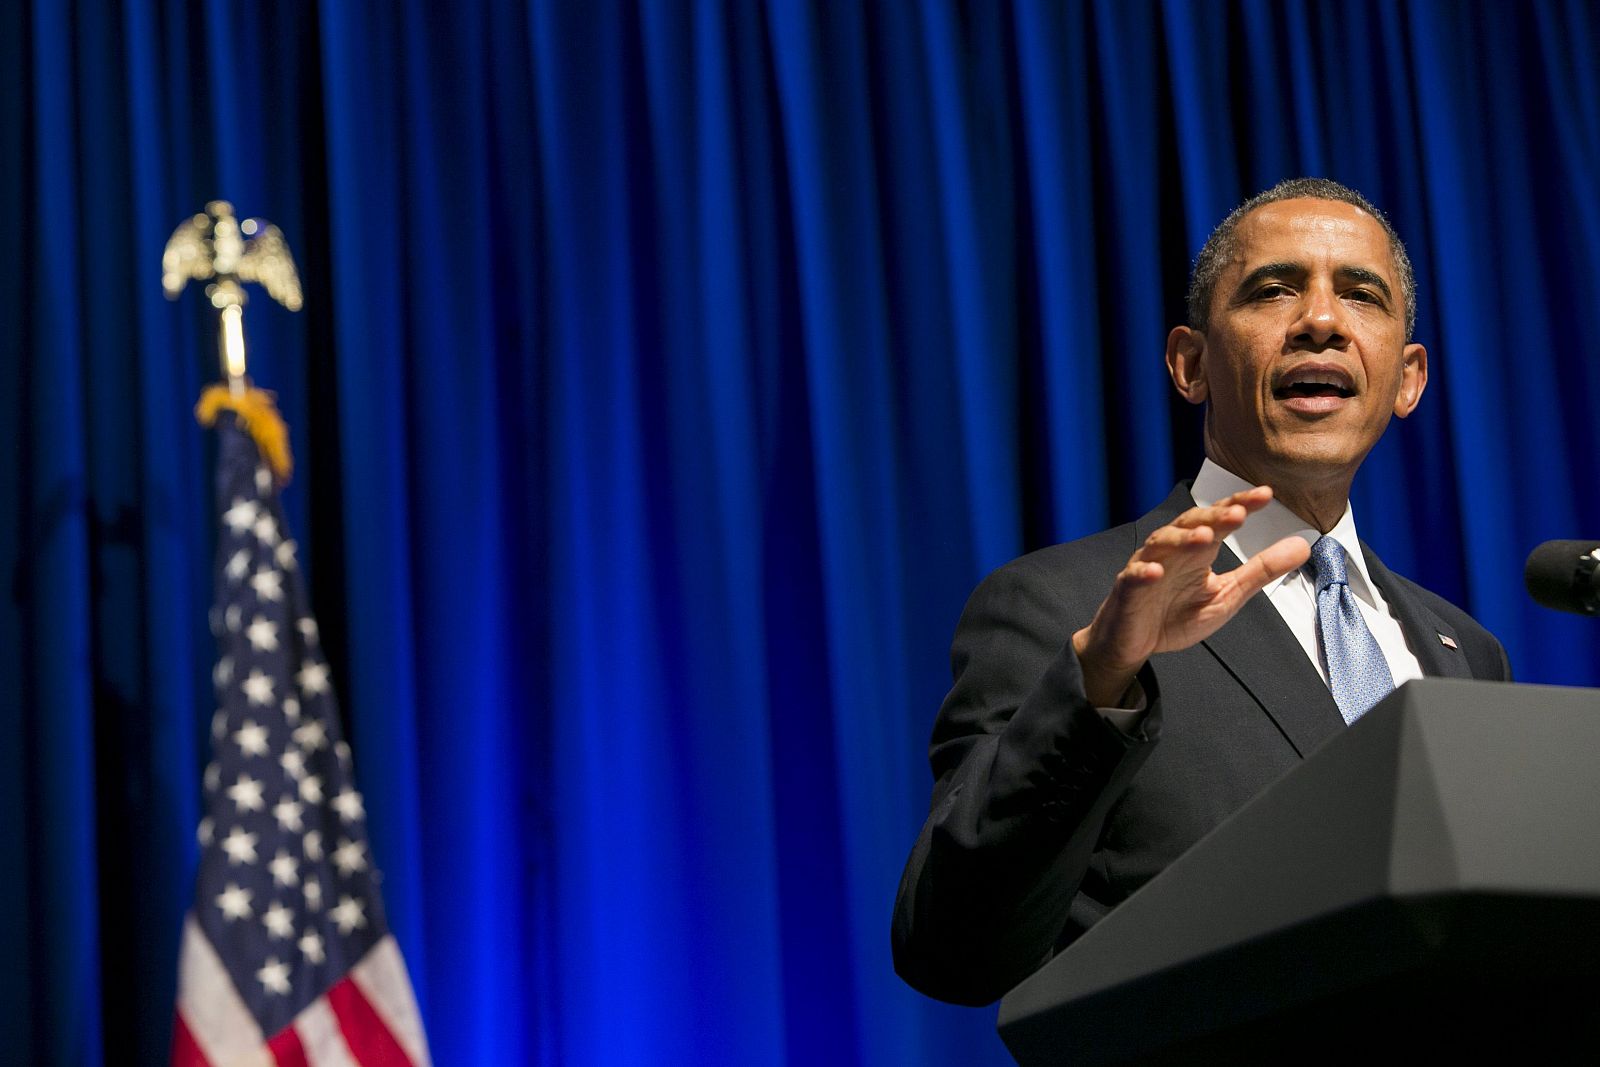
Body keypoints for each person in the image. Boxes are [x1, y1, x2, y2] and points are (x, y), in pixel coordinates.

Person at [891, 178, 1510, 1007]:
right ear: (1190, 365)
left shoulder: (1463, 648)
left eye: (1360, 294)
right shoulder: (1063, 605)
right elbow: (951, 950)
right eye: (1274, 290)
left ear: (1407, 379)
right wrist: (1101, 680)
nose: (1321, 320)